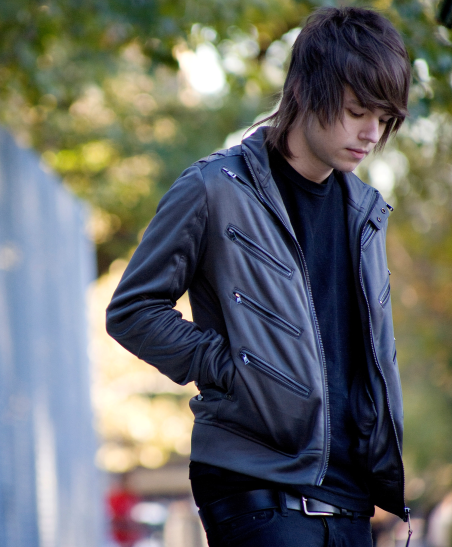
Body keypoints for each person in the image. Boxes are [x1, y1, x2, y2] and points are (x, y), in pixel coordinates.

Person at [106, 7, 412, 546]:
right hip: (257, 488)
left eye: (384, 119)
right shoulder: (214, 188)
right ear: (305, 90)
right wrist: (232, 370)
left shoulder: (366, 212)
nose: (371, 133)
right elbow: (133, 310)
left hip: (351, 499)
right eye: (357, 111)